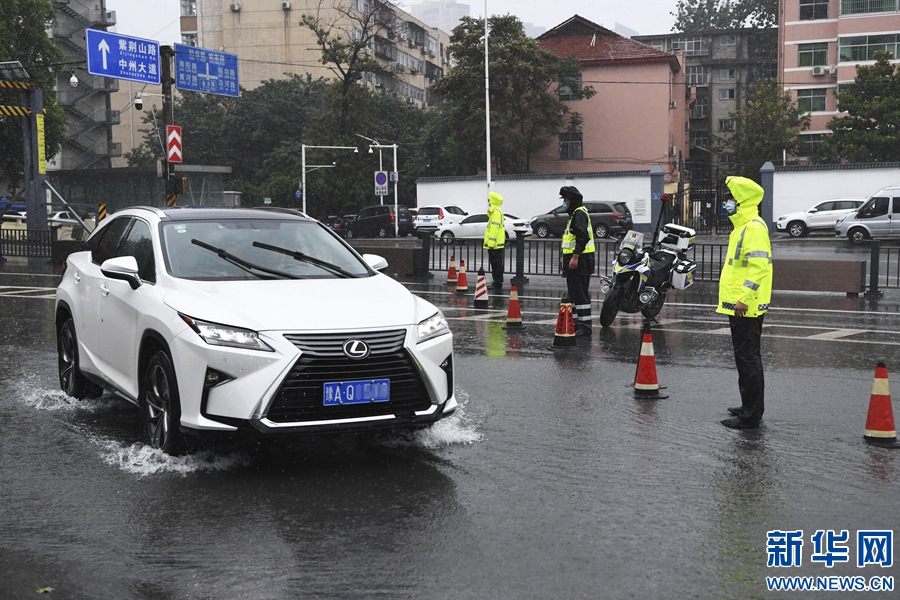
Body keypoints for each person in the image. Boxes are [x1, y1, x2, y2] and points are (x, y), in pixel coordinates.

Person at [717, 176, 773, 429]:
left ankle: (751, 415)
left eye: (731, 198)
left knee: (748, 358)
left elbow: (759, 268)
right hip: (740, 304)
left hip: (745, 306)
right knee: (745, 357)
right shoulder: (742, 226)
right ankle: (748, 405)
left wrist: (744, 299)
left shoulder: (753, 227)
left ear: (741, 201)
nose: (727, 202)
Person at [560, 186, 595, 337]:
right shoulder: (575, 213)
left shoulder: (579, 214)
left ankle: (585, 326)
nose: (565, 203)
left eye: (566, 200)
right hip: (576, 259)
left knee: (580, 293)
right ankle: (575, 322)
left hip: (580, 260)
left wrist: (575, 257)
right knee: (574, 292)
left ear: (572, 200)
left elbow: (583, 237)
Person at [483, 191, 505, 289]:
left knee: (496, 264)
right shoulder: (497, 211)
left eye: (489, 200)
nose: (488, 201)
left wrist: (490, 243)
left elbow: (494, 229)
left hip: (494, 245)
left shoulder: (496, 212)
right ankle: (497, 282)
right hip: (497, 244)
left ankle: (497, 283)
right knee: (497, 264)